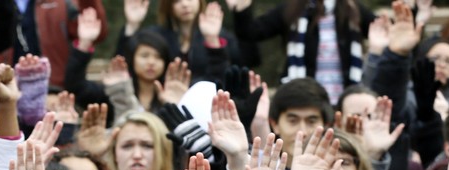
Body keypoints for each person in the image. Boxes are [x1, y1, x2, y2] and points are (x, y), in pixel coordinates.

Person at [231, 0, 375, 103]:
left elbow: (385, 33)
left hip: (345, 98)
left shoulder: (353, 9)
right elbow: (252, 32)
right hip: (303, 97)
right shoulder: (293, 8)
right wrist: (242, 9)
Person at [116, 0, 241, 83]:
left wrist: (213, 40)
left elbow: (239, 67)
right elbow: (123, 64)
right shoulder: (155, 35)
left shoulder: (219, 34)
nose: (185, 4)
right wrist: (132, 25)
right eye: (177, 0)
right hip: (163, 102)